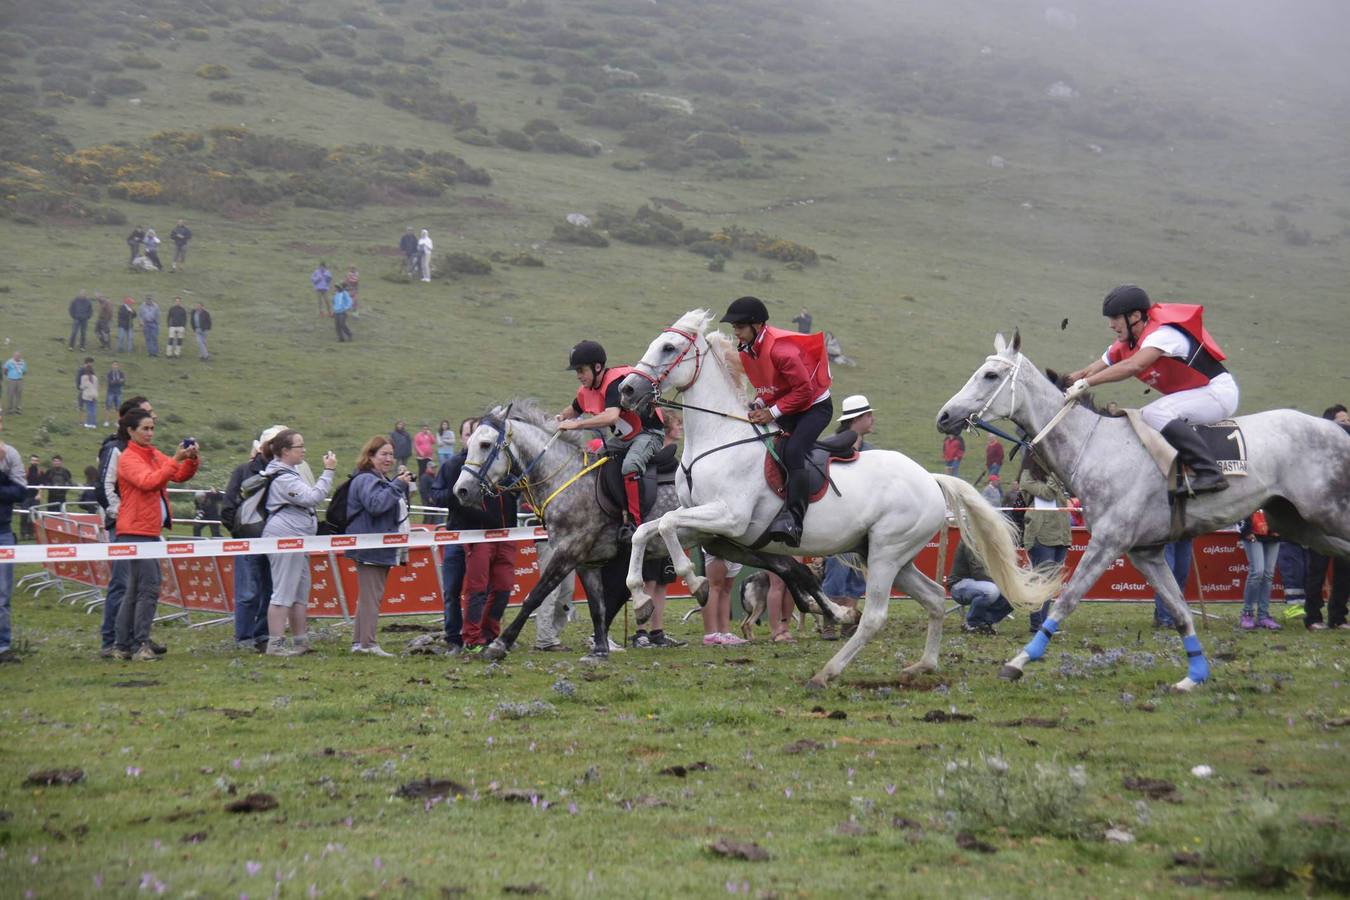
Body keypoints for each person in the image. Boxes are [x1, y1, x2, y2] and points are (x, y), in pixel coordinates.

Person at [1064, 284, 1238, 495]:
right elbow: (1090, 370)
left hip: (1217, 393)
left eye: (1116, 318)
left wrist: (1087, 384)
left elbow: (1133, 366)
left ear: (1135, 316)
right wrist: (1066, 382)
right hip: (1199, 394)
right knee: (1152, 416)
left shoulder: (1162, 335)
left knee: (1153, 413)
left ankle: (1210, 474)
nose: (1111, 325)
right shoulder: (1127, 343)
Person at [721, 296, 833, 547]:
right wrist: (759, 404)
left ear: (756, 325)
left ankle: (794, 519)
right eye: (735, 328)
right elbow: (768, 386)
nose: (736, 333)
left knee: (793, 451)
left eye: (739, 327)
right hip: (790, 406)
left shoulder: (782, 350)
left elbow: (803, 392)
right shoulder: (748, 348)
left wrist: (772, 412)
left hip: (814, 407)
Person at [111, 409, 199, 661]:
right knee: (148, 588)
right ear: (131, 431)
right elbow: (149, 482)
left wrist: (190, 459)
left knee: (136, 589)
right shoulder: (128, 458)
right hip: (135, 530)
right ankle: (140, 643)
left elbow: (179, 475)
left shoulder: (152, 454)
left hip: (147, 530)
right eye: (145, 429)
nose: (150, 433)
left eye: (152, 428)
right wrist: (174, 458)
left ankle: (124, 644)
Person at [557, 340, 665, 541]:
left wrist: (577, 425)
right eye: (576, 371)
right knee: (593, 462)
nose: (578, 376)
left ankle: (636, 523)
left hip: (648, 434)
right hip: (623, 439)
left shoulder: (615, 383)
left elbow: (611, 416)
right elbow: (573, 410)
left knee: (630, 465)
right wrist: (559, 419)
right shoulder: (586, 390)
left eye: (581, 370)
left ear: (597, 367)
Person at [262, 430, 336, 657]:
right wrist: (328, 472)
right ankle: (275, 644)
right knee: (284, 590)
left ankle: (300, 641)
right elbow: (312, 498)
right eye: (299, 446)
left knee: (300, 591)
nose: (304, 450)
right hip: (285, 537)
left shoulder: (289, 473)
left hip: (299, 538)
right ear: (285, 451)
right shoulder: (283, 477)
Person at [96, 396, 156, 658]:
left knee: (137, 585)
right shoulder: (115, 449)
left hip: (143, 524)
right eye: (146, 416)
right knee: (122, 584)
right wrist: (119, 512)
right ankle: (112, 641)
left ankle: (132, 639)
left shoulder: (143, 450)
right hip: (123, 524)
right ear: (130, 422)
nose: (151, 421)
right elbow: (104, 486)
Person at [345, 436, 413, 656]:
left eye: (391, 455)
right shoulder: (366, 479)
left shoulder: (379, 479)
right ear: (370, 456)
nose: (388, 459)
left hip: (377, 547)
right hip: (370, 547)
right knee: (371, 596)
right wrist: (399, 485)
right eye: (383, 454)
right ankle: (367, 644)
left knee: (369, 596)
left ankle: (361, 642)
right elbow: (376, 505)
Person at [223, 425, 284, 652]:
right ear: (264, 447)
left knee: (270, 590)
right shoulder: (243, 471)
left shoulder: (285, 473)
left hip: (275, 542)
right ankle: (244, 638)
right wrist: (240, 533)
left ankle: (262, 635)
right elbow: (228, 506)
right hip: (248, 541)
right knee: (247, 592)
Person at [1018, 458, 1071, 634]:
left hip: (1061, 535)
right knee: (1042, 581)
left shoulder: (1058, 477)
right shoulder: (1027, 477)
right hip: (1041, 535)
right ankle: (1037, 625)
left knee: (1052, 583)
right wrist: (1056, 475)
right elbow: (1047, 493)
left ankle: (1045, 623)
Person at [0, 413, 27, 663]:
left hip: (3, 531)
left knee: (2, 593)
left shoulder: (10, 455)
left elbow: (20, 491)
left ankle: (2, 647)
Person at [948, 537, 1013, 634]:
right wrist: (1001, 583)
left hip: (981, 583)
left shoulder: (991, 540)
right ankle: (972, 624)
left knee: (1014, 594)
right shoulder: (971, 538)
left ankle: (984, 622)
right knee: (991, 591)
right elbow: (978, 572)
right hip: (959, 585)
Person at [1238, 511, 1281, 631]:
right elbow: (1241, 507)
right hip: (1252, 533)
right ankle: (1247, 613)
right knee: (1257, 572)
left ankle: (1263, 616)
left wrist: (1281, 526)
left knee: (1268, 575)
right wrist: (1245, 530)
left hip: (1273, 533)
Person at [700, 551, 748, 646]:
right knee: (714, 586)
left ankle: (725, 633)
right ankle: (711, 635)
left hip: (736, 545)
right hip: (719, 543)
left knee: (726, 589)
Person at [1151, 539, 1193, 629]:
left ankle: (1174, 615)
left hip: (1185, 533)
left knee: (1182, 574)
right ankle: (1165, 619)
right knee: (1166, 575)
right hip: (1167, 533)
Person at [104, 361, 125, 426]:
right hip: (110, 391)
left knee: (118, 407)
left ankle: (117, 422)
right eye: (114, 365)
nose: (115, 366)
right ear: (112, 366)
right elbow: (110, 383)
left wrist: (115, 381)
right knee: (108, 406)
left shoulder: (121, 373)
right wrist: (118, 381)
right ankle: (106, 421)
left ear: (118, 366)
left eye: (116, 365)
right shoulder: (109, 374)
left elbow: (123, 382)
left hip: (118, 392)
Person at [78, 362, 98, 429]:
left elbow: (82, 386)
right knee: (93, 410)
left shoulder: (84, 377)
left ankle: (89, 423)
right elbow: (97, 386)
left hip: (87, 395)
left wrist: (81, 387)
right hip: (94, 395)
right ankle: (94, 424)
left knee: (89, 409)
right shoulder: (95, 377)